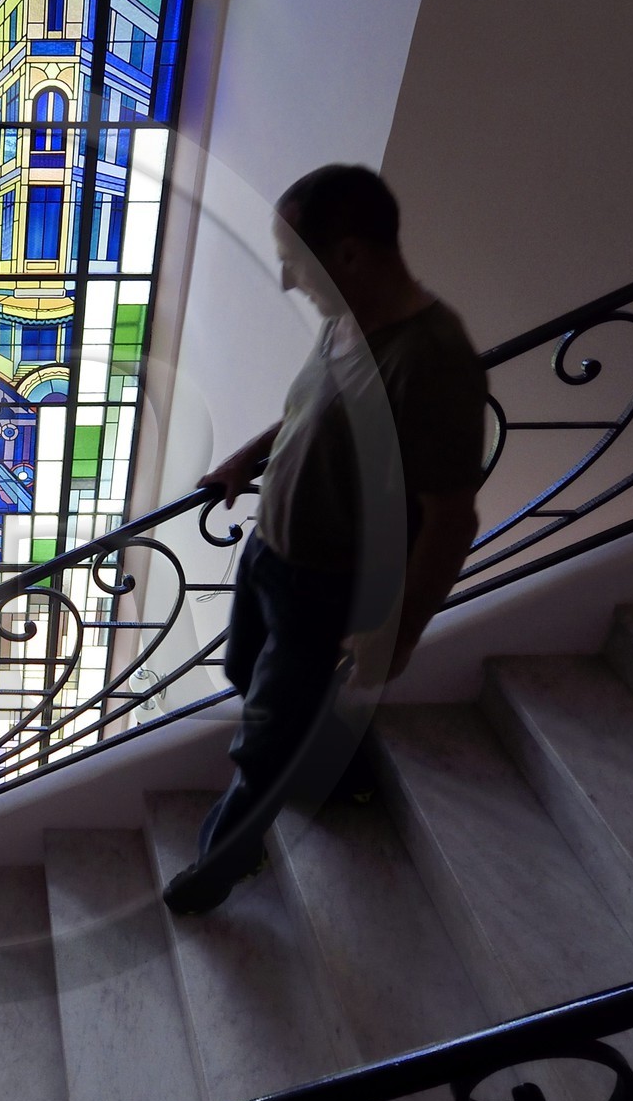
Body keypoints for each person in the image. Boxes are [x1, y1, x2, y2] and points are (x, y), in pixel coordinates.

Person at [162, 163, 487, 916]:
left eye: (293, 261)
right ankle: (338, 766)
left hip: (330, 586)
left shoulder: (434, 361)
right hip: (269, 556)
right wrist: (251, 454)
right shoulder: (347, 319)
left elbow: (451, 520)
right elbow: (314, 414)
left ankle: (226, 860)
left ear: (347, 256)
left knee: (265, 740)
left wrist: (397, 635)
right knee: (248, 672)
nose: (284, 280)